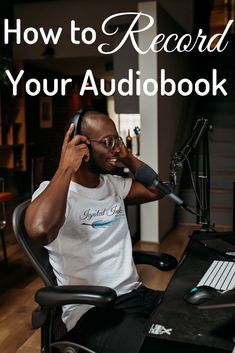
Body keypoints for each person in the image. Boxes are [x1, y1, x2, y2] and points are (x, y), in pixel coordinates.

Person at [25, 107, 165, 353]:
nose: (116, 148)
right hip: (93, 309)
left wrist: (125, 156)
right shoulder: (52, 192)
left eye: (117, 139)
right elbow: (39, 231)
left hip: (135, 295)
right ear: (82, 147)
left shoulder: (113, 184)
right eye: (108, 141)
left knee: (196, 321)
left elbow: (158, 190)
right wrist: (65, 168)